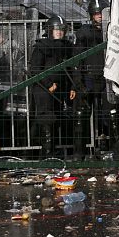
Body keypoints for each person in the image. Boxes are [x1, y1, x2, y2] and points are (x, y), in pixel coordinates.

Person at [28, 15, 79, 159]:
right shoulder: (42, 47)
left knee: (57, 119)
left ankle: (54, 151)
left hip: (61, 89)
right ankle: (47, 154)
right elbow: (35, 69)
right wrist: (48, 84)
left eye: (62, 29)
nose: (59, 32)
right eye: (56, 29)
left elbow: (72, 69)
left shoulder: (68, 47)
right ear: (50, 30)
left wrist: (73, 86)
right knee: (47, 119)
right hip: (43, 89)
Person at [73, 0, 109, 158]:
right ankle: (79, 153)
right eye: (96, 14)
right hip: (88, 77)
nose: (99, 16)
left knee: (110, 114)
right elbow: (77, 59)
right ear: (91, 15)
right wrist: (78, 81)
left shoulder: (112, 31)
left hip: (107, 77)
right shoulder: (84, 33)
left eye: (101, 13)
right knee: (81, 115)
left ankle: (110, 148)